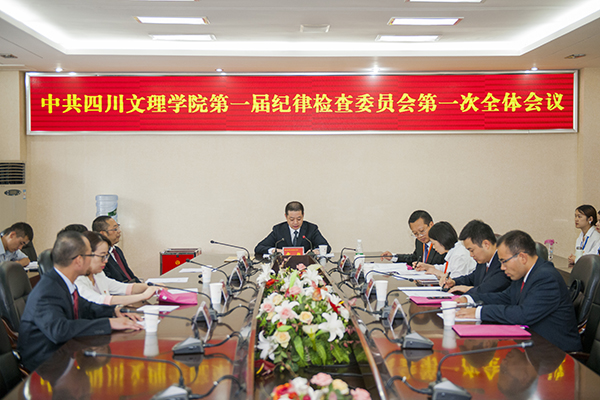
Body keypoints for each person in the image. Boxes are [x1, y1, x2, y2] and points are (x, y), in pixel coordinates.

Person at [17, 231, 141, 372]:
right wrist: (109, 323)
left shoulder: (63, 282)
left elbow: (85, 307)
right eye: (90, 255)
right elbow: (60, 330)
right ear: (79, 260)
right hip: (45, 364)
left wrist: (114, 311)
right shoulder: (47, 291)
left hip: (66, 351)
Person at [456, 230, 582, 352]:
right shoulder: (524, 274)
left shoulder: (546, 278)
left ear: (522, 257)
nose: (502, 267)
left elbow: (523, 315)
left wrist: (479, 312)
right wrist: (469, 299)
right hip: (533, 346)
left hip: (557, 354)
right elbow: (505, 297)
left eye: (504, 261)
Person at [75, 231, 157, 305]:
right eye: (102, 256)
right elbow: (100, 300)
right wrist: (143, 296)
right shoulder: (77, 280)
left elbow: (124, 288)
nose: (106, 260)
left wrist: (151, 286)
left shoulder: (98, 274)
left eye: (107, 256)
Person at [440, 220, 511, 295]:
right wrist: (454, 282)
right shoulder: (483, 261)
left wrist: (468, 289)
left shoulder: (503, 263)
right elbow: (472, 278)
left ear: (486, 244)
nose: (471, 255)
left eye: (472, 250)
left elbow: (489, 289)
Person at [254, 201, 330, 256]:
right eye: (292, 219)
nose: (295, 222)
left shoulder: (311, 229)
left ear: (303, 215)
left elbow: (327, 247)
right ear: (286, 216)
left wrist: (316, 251)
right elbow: (259, 248)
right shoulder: (278, 229)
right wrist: (275, 250)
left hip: (306, 267)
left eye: (299, 219)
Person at [381, 210, 446, 267]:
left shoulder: (443, 242)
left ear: (431, 225)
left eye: (422, 231)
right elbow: (414, 258)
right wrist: (393, 257)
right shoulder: (419, 241)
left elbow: (447, 267)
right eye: (415, 233)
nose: (419, 236)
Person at [92, 216, 140, 283]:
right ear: (103, 234)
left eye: (118, 227)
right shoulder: (99, 256)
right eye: (115, 229)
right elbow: (110, 282)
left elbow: (129, 274)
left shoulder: (117, 250)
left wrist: (145, 286)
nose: (119, 231)